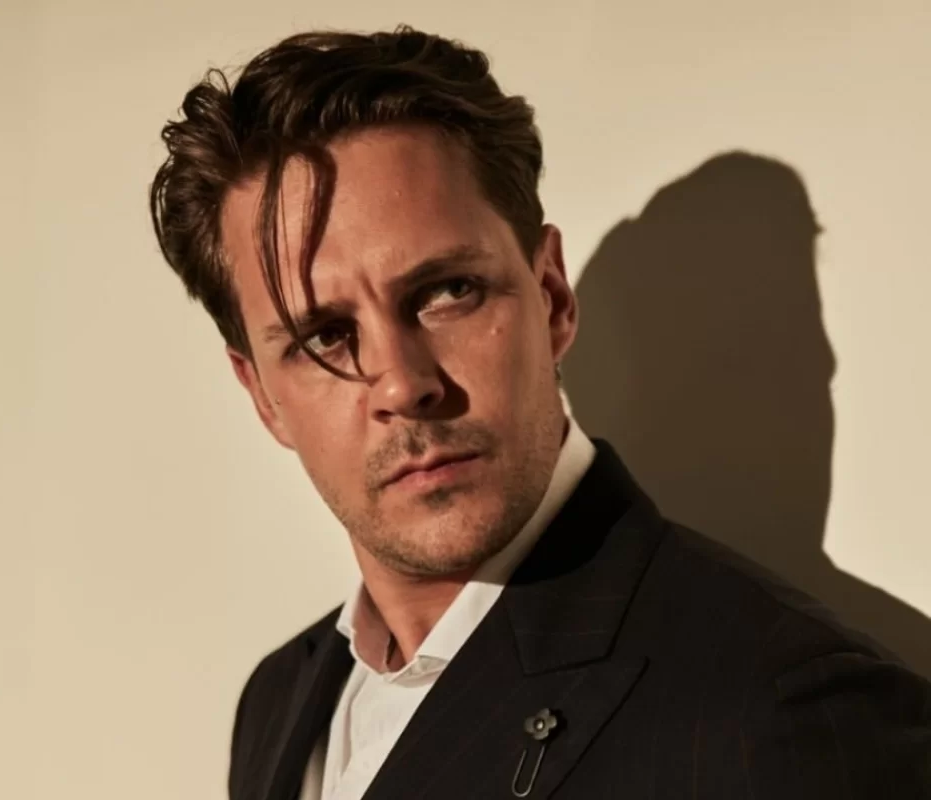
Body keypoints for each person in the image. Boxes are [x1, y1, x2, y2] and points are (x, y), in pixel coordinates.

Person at [148, 25, 931, 800]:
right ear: (262, 396)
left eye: (447, 291)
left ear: (551, 297)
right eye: (325, 336)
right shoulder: (279, 700)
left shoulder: (789, 713)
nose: (402, 385)